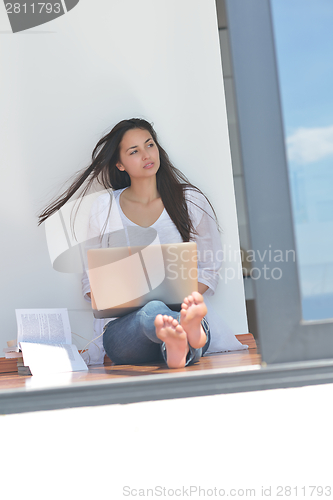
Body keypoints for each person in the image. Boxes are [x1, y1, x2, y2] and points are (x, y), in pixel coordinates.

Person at [39, 118, 247, 368]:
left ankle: (180, 340)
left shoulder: (189, 201)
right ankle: (187, 333)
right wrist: (125, 296)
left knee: (165, 311)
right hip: (129, 329)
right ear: (120, 164)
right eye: (134, 151)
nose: (146, 154)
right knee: (151, 311)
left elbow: (210, 267)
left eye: (149, 145)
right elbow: (90, 281)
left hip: (181, 308)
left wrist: (184, 296)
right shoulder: (104, 209)